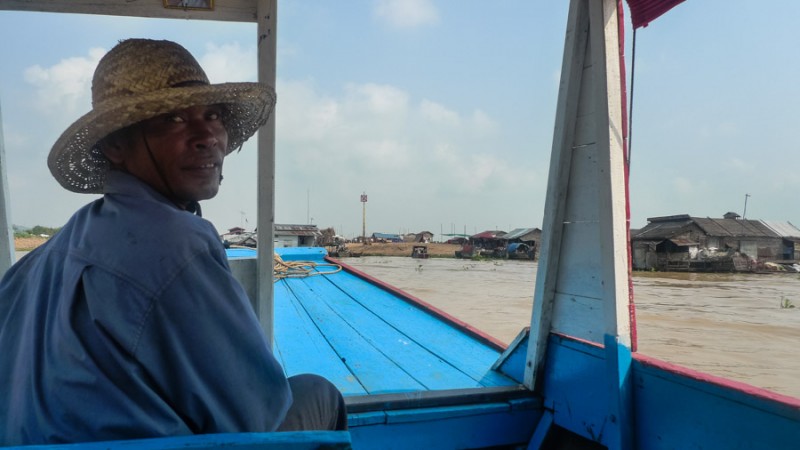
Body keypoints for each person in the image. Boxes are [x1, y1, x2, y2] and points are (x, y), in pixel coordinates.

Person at [0, 38, 346, 446]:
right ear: (115, 145)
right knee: (319, 394)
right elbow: (255, 414)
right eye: (172, 120)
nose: (207, 137)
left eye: (213, 116)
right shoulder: (176, 241)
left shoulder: (47, 254)